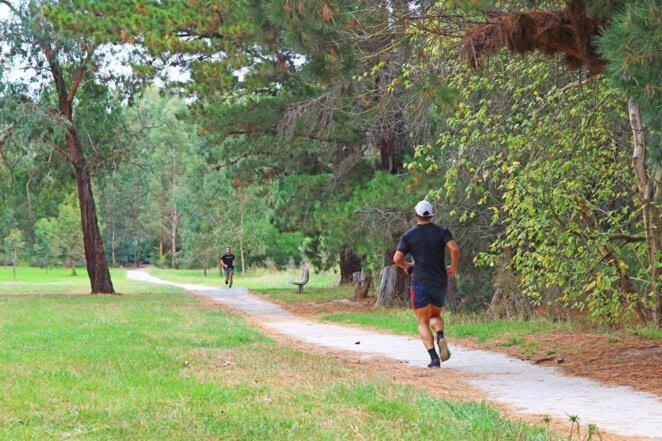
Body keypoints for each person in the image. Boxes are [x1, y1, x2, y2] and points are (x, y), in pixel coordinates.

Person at [393, 200, 460, 368]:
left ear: (415, 213)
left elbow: (397, 259)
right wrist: (453, 267)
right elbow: (455, 248)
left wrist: (405, 266)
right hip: (439, 281)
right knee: (435, 316)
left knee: (422, 321)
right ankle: (440, 334)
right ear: (431, 214)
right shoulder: (442, 231)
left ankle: (434, 359)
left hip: (420, 283)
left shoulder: (409, 235)